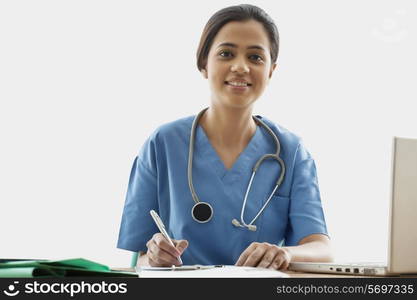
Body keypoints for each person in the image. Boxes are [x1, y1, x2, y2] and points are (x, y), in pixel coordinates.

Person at [117, 4, 333, 270]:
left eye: (255, 57)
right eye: (226, 53)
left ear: (271, 71)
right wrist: (153, 256)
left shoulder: (291, 151)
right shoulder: (163, 143)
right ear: (204, 64)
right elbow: (138, 257)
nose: (240, 67)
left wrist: (284, 253)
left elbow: (321, 248)